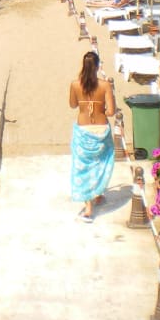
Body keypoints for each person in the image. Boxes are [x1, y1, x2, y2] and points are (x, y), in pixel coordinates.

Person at [69, 51, 116, 222]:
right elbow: (111, 111)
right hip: (101, 128)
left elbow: (73, 105)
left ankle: (88, 208)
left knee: (83, 166)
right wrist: (99, 107)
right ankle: (98, 193)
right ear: (97, 67)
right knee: (101, 161)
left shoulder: (75, 84)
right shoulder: (105, 85)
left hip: (83, 128)